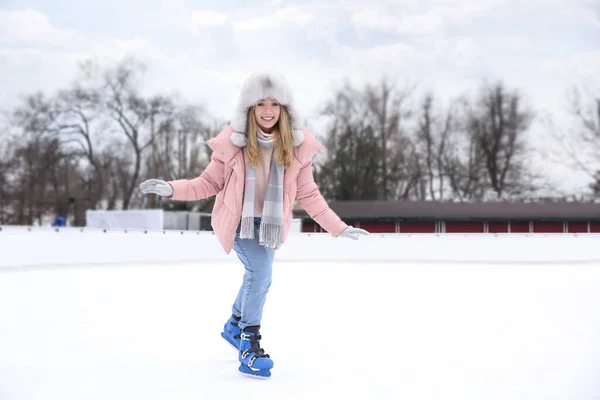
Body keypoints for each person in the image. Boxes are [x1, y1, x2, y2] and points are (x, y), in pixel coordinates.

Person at [139, 71, 369, 378]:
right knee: (260, 274)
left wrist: (337, 227)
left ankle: (234, 326)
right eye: (260, 103)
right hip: (239, 223)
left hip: (271, 225)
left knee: (256, 277)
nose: (268, 110)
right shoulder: (232, 144)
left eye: (274, 103)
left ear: (284, 108)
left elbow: (308, 194)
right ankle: (249, 344)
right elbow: (207, 183)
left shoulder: (297, 149)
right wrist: (171, 188)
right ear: (249, 108)